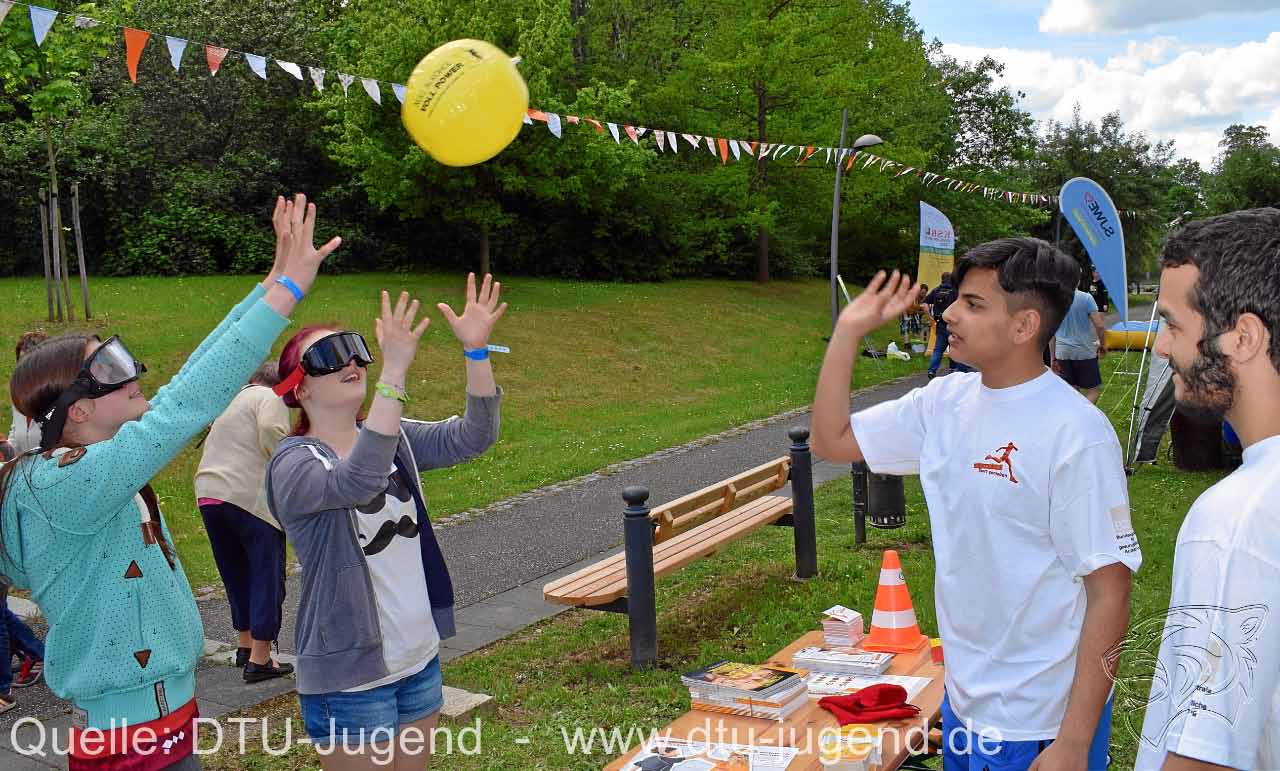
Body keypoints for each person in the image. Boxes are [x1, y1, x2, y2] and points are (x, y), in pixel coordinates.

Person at [0, 193, 337, 770]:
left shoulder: (89, 471)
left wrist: (273, 280)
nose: (132, 371)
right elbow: (187, 403)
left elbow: (193, 374)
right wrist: (288, 294)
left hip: (162, 720)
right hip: (128, 739)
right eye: (108, 369)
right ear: (77, 411)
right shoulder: (67, 484)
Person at [811, 238, 1142, 771]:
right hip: (965, 706)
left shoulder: (1077, 433)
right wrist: (848, 332)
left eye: (973, 303)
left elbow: (1111, 592)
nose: (949, 313)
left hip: (1042, 723)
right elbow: (831, 440)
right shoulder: (944, 404)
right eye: (956, 299)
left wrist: (1074, 743)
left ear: (1024, 325)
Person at [267, 273, 505, 769]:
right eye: (329, 355)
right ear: (298, 388)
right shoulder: (293, 464)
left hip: (417, 659)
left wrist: (477, 352)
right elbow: (358, 480)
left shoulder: (394, 438)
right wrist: (393, 371)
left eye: (356, 350)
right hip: (350, 679)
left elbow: (473, 436)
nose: (351, 362)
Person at [1134, 208, 1280, 771]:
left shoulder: (1238, 517)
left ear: (1243, 337)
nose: (1161, 347)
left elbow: (1207, 754)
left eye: (1173, 325)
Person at [194, 361, 293, 683]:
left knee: (236, 573)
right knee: (266, 574)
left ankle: (244, 645)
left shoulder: (231, 401)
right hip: (248, 497)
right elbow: (272, 430)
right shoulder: (269, 396)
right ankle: (260, 659)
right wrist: (291, 462)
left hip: (210, 494)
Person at [1051, 285, 1108, 404]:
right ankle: (1084, 413)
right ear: (1077, 280)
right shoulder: (1086, 298)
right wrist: (1102, 344)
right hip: (1084, 351)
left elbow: (1051, 332)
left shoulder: (1055, 298)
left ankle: (1074, 413)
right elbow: (1099, 325)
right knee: (1093, 391)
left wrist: (1053, 358)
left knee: (1072, 390)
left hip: (1062, 352)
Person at [9, 332, 49, 455]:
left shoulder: (59, 399)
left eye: (31, 363)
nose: (25, 370)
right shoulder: (18, 394)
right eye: (21, 362)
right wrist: (5, 449)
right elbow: (16, 439)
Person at [924, 273, 971, 376]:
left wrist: (930, 317)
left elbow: (924, 304)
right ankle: (961, 371)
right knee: (957, 346)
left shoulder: (936, 290)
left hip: (940, 323)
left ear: (942, 279)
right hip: (954, 324)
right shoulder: (956, 290)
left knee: (938, 349)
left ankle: (932, 370)